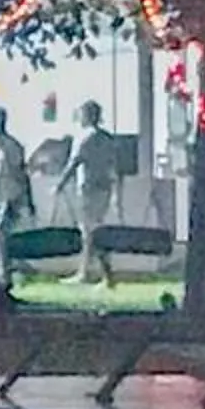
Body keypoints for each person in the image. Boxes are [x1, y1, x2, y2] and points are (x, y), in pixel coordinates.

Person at [58, 100, 127, 285]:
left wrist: (59, 184)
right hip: (104, 187)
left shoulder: (85, 138)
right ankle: (93, 272)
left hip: (88, 188)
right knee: (94, 231)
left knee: (89, 232)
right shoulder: (107, 139)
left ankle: (97, 274)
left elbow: (74, 162)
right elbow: (115, 165)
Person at [0, 106, 35, 280]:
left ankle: (4, 273)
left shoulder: (12, 146)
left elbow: (21, 173)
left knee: (0, 233)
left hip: (10, 195)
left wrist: (27, 199)